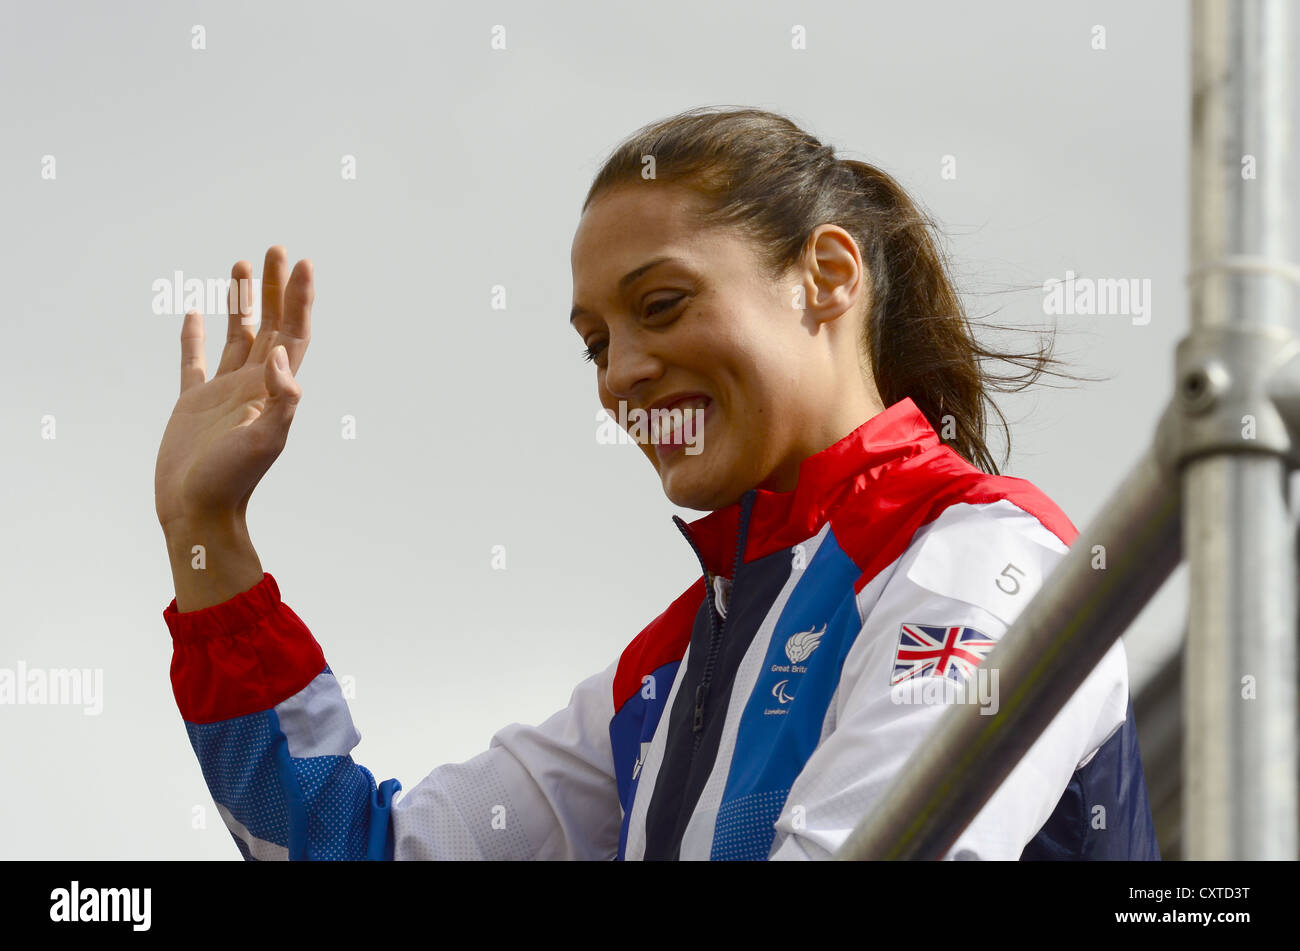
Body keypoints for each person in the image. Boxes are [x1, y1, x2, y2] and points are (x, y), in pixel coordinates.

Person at [155, 106, 1160, 861]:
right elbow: (358, 851)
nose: (622, 371)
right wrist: (208, 533)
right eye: (595, 341)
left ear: (827, 275)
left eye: (663, 304)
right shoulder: (665, 675)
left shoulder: (981, 557)